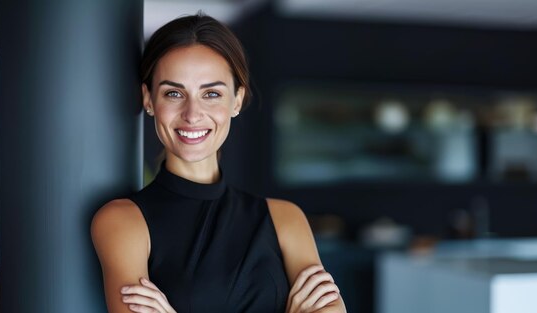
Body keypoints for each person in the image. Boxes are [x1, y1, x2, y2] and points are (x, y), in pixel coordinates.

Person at [91, 13, 346, 313]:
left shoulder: (285, 219)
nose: (192, 113)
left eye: (211, 93)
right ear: (148, 100)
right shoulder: (122, 222)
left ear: (236, 100)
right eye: (173, 93)